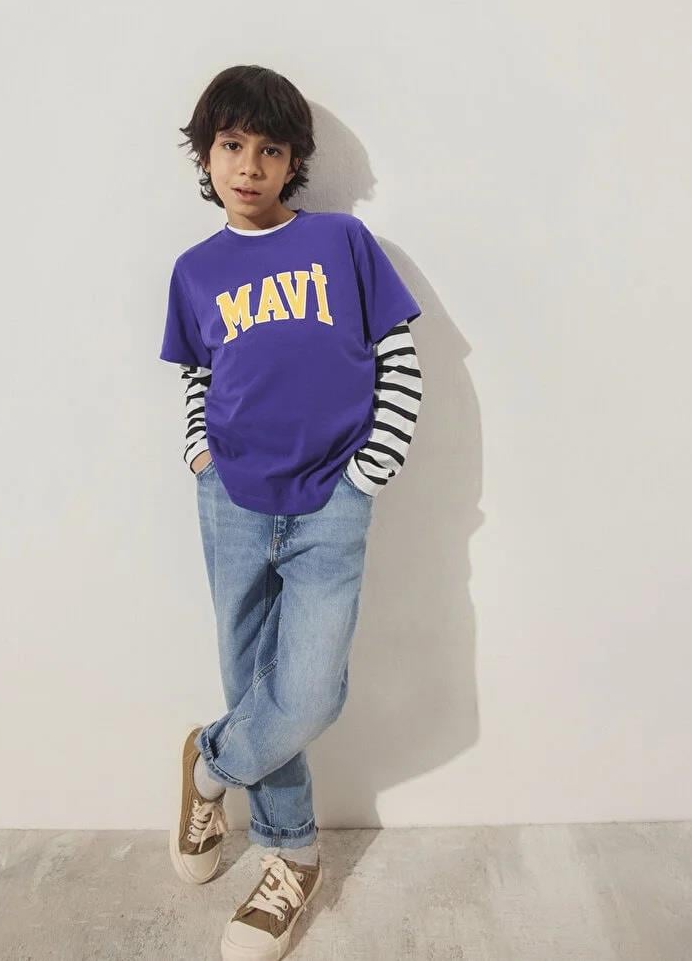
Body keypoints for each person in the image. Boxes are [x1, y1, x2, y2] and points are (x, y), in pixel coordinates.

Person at [159, 64, 423, 961]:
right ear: (206, 154)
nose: (250, 165)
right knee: (251, 680)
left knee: (308, 690)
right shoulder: (195, 271)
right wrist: (200, 453)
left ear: (294, 162)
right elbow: (200, 376)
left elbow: (398, 356)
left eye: (271, 149)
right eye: (232, 145)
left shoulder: (342, 243)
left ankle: (211, 763)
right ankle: (292, 855)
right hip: (230, 499)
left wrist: (368, 472)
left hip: (331, 500)